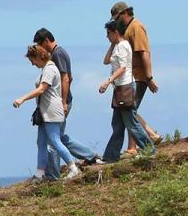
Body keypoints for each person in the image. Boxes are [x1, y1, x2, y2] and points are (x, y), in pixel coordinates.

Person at [33, 28, 102, 167]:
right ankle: (89, 155)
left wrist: (63, 102)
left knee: (55, 139)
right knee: (58, 137)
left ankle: (55, 171)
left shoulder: (57, 54)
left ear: (46, 41)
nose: (39, 49)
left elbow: (66, 78)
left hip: (60, 102)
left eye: (39, 44)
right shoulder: (58, 53)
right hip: (59, 101)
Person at [12, 44, 82, 181]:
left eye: (32, 60)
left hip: (52, 111)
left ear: (38, 57)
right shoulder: (46, 69)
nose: (32, 64)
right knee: (41, 142)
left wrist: (22, 99)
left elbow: (42, 89)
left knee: (55, 140)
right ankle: (40, 173)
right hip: (45, 112)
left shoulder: (50, 69)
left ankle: (73, 168)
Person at [99, 20, 154, 161]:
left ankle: (149, 150)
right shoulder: (117, 46)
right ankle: (110, 157)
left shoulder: (123, 46)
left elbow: (122, 68)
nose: (107, 36)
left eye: (108, 34)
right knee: (117, 125)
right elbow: (106, 61)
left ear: (116, 32)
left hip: (125, 88)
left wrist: (108, 81)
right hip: (119, 89)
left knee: (131, 122)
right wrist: (112, 44)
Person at [109, 2, 161, 146]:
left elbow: (144, 53)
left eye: (117, 18)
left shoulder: (136, 27)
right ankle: (141, 141)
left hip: (138, 76)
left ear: (125, 13)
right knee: (129, 111)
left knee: (129, 111)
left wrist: (149, 77)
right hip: (129, 77)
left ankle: (145, 141)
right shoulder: (127, 29)